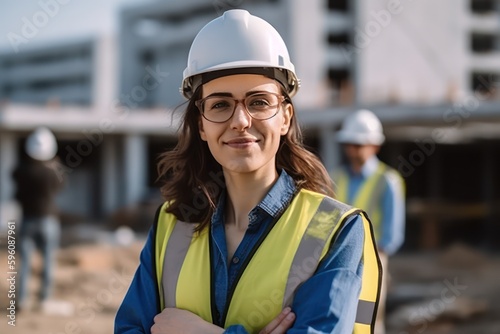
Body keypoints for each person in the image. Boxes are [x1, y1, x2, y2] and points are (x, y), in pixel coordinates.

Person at [115, 10, 381, 334]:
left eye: (258, 102)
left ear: (284, 117)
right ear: (201, 124)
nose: (240, 121)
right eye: (220, 104)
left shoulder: (335, 231)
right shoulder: (171, 225)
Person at [331, 109, 405, 334]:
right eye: (349, 143)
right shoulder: (336, 177)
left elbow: (392, 236)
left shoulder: (387, 181)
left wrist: (370, 258)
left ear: (375, 146)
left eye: (358, 144)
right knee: (338, 317)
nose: (352, 149)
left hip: (373, 263)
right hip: (338, 260)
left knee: (365, 322)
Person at [13, 127, 63, 311]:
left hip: (27, 220)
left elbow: (16, 186)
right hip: (48, 220)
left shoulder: (22, 171)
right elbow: (61, 184)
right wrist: (54, 163)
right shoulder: (52, 172)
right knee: (48, 260)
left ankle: (22, 299)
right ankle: (44, 299)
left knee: (24, 261)